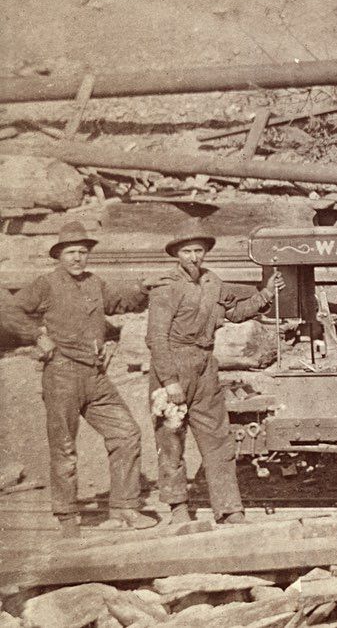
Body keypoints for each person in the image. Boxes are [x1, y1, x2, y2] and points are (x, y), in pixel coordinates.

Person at [5, 223, 157, 536]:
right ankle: (67, 518)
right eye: (71, 252)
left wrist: (142, 288)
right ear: (59, 255)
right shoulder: (45, 285)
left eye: (82, 252)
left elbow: (120, 303)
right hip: (61, 373)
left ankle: (125, 508)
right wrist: (37, 336)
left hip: (95, 375)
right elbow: (8, 310)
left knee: (126, 433)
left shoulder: (95, 283)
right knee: (64, 447)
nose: (77, 258)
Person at [148, 222, 284, 525]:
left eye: (199, 250)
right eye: (187, 251)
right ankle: (178, 508)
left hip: (206, 364)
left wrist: (265, 295)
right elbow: (156, 338)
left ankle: (229, 509)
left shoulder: (212, 282)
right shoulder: (166, 287)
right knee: (171, 440)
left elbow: (234, 313)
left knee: (218, 437)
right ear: (176, 255)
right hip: (173, 364)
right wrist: (170, 382)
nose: (194, 257)